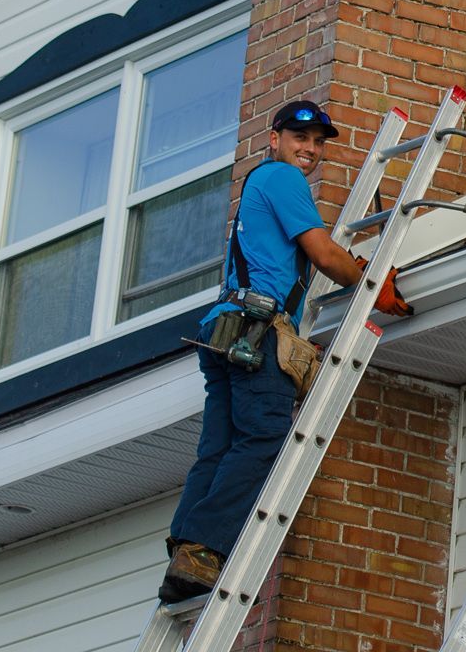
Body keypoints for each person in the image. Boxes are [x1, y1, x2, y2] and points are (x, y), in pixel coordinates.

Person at [159, 99, 414, 602]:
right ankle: (206, 547)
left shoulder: (260, 185)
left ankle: (188, 550)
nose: (311, 149)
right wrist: (370, 281)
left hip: (225, 328)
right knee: (262, 437)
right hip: (257, 330)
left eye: (318, 142)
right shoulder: (281, 178)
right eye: (301, 138)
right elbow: (323, 254)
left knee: (221, 446)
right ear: (274, 139)